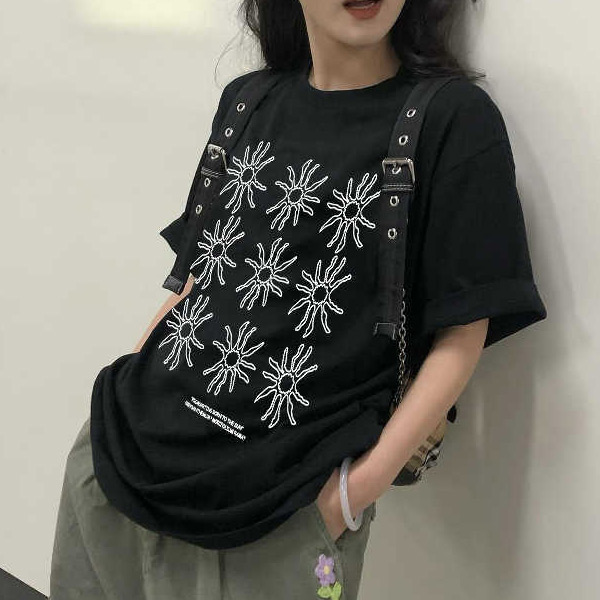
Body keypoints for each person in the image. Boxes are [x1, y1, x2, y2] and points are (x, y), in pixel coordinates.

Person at [49, 0, 548, 598]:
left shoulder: (452, 119)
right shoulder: (246, 102)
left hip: (279, 522)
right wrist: (126, 386)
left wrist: (348, 500)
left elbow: (462, 333)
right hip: (116, 469)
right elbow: (198, 278)